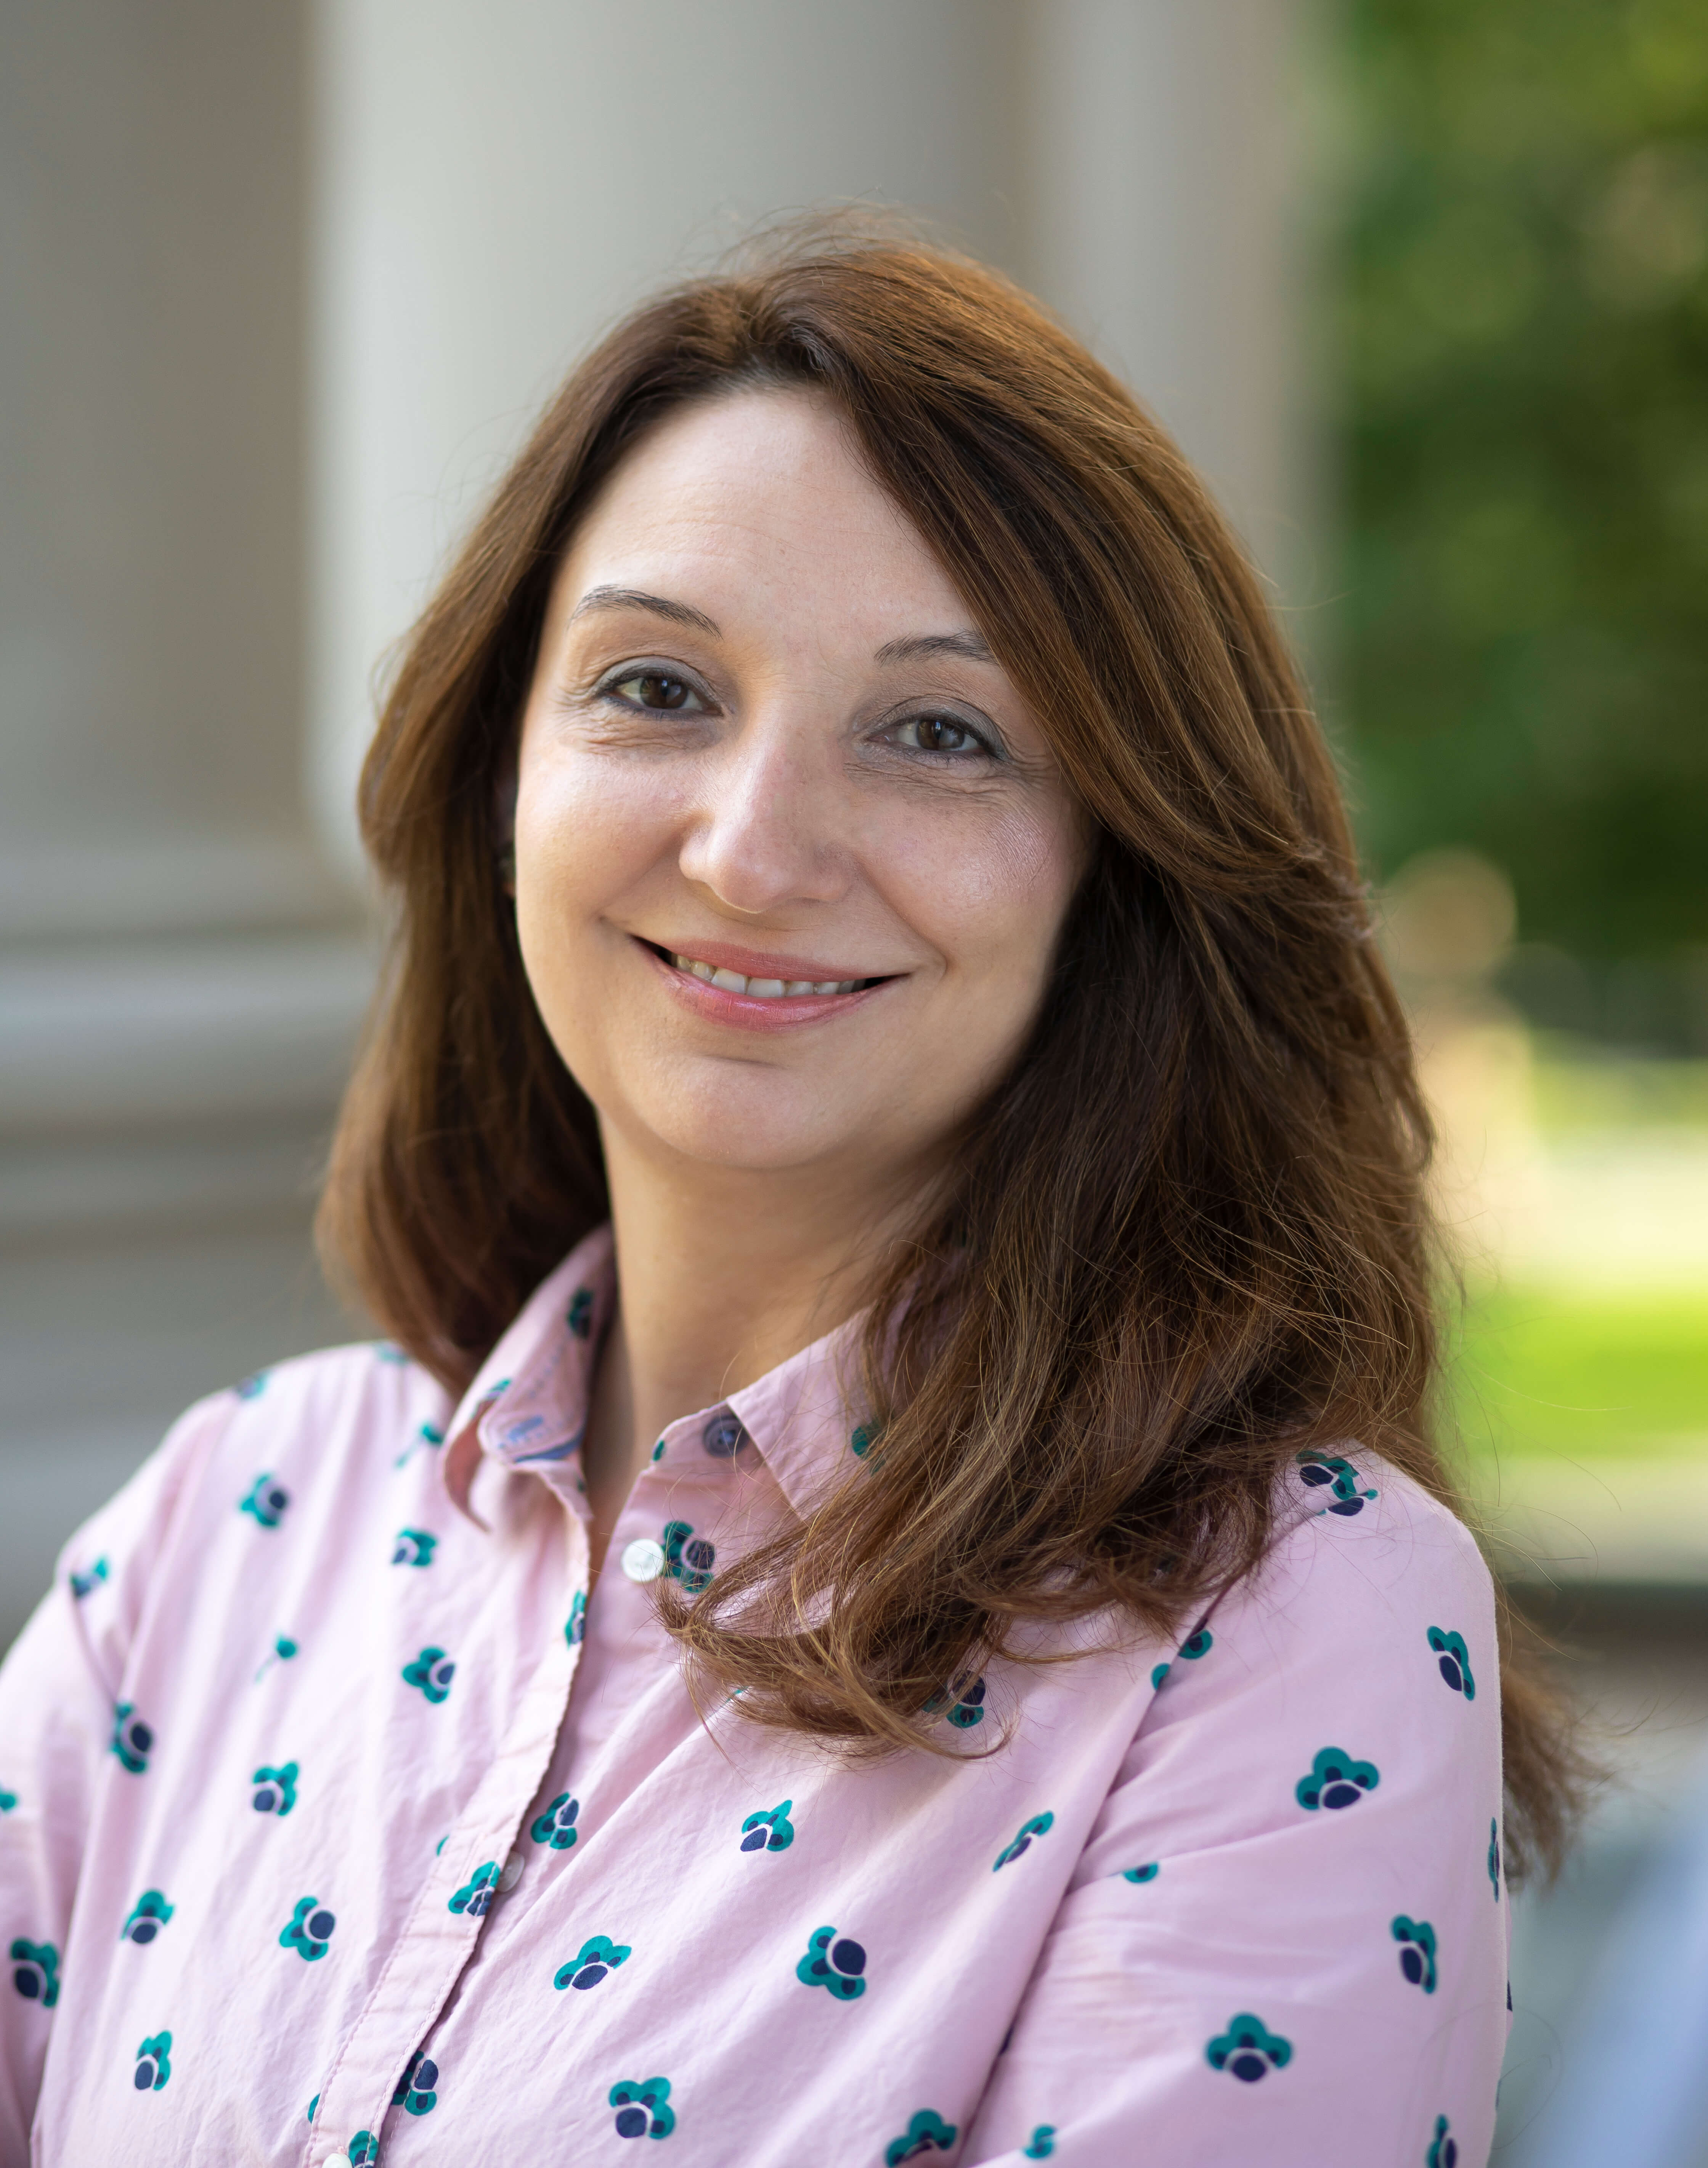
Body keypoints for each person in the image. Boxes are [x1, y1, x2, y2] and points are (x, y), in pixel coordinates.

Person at [0, 225, 1576, 2166]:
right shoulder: (223, 1530)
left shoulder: (1284, 1619)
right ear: (502, 776)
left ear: (1120, 870)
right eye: (655, 689)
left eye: (937, 734)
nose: (752, 851)